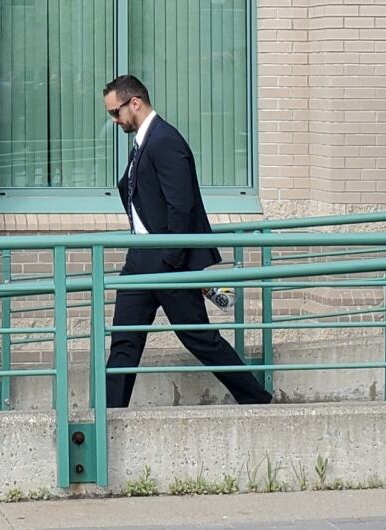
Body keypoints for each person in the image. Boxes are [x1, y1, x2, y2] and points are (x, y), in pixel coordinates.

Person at [101, 75, 272, 407]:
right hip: (140, 258)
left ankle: (257, 399)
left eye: (115, 112)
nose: (115, 120)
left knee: (199, 338)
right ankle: (108, 416)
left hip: (164, 260)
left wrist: (170, 260)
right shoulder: (143, 141)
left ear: (134, 102)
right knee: (124, 341)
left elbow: (181, 205)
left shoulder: (165, 140)